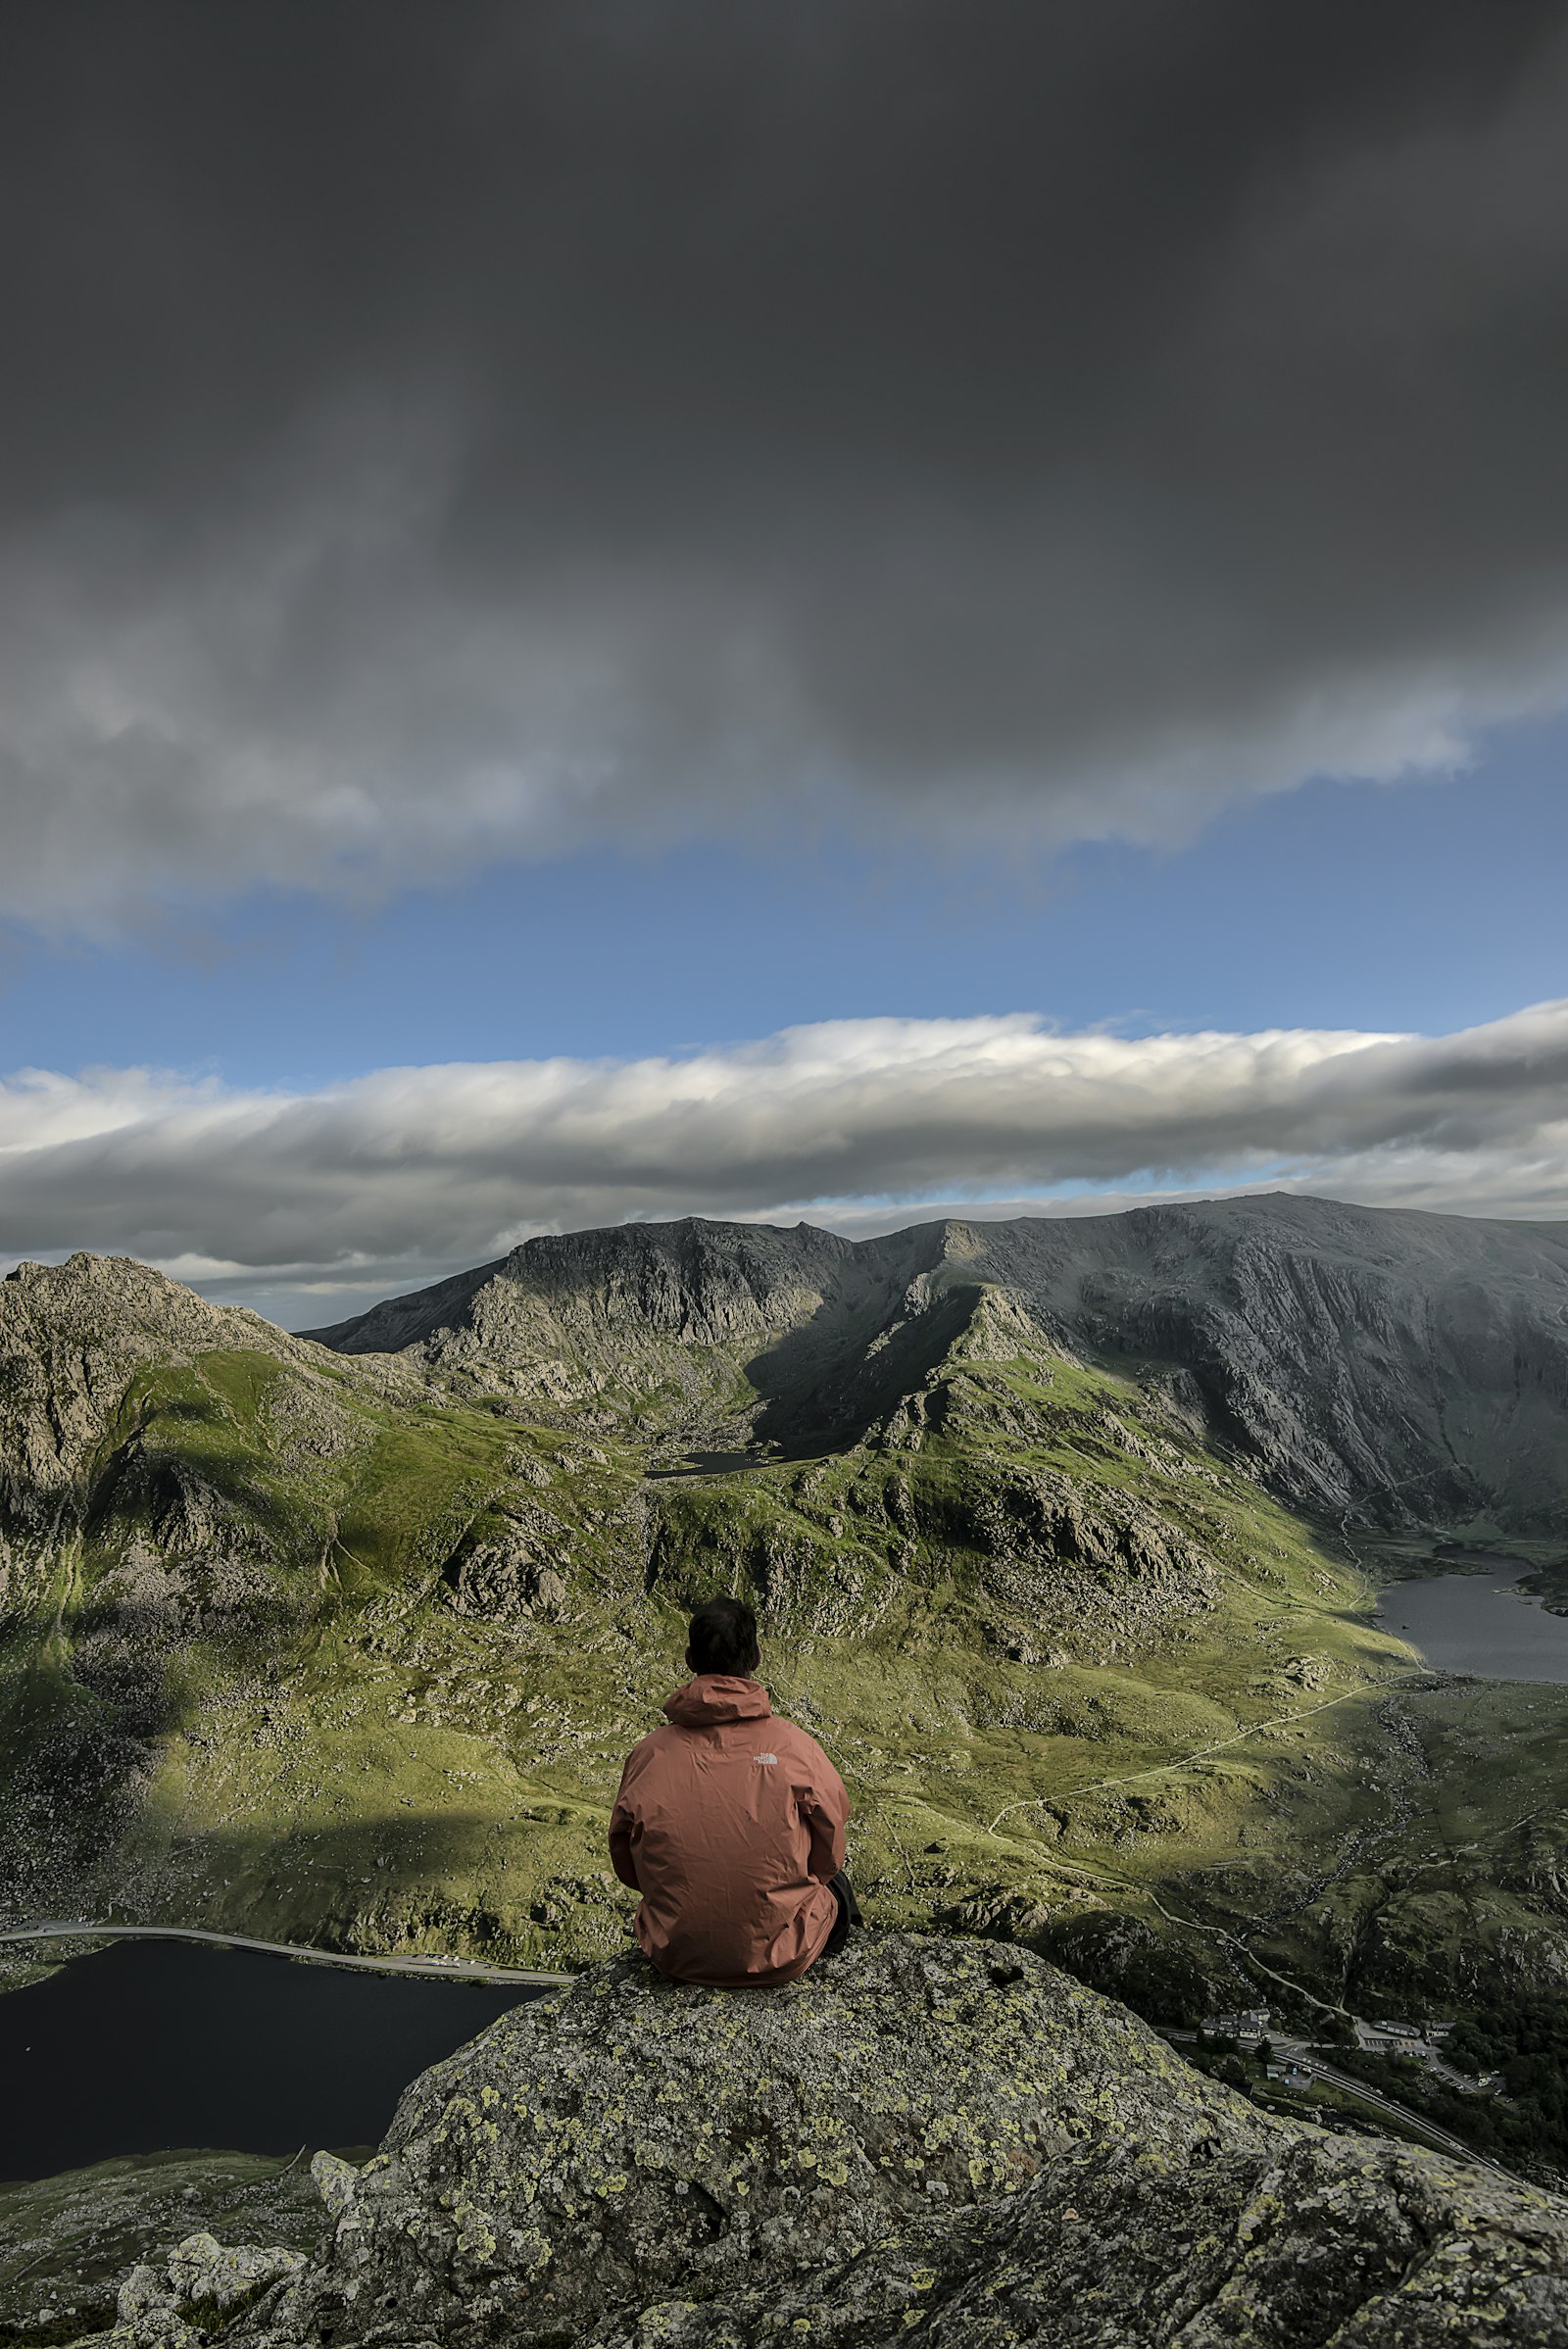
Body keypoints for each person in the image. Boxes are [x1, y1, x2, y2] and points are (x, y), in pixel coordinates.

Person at [609, 1594, 859, 1987]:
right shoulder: (796, 1747)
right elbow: (829, 1858)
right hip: (784, 1954)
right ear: (755, 1657)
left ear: (691, 1661)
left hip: (675, 1953)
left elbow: (627, 1864)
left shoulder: (648, 1753)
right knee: (839, 1888)